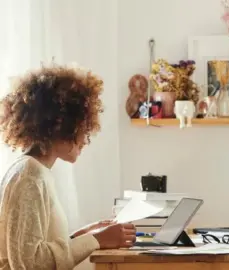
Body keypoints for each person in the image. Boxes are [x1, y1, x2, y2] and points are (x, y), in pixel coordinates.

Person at [0, 65, 137, 269]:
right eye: (82, 127)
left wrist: (84, 235)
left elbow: (34, 247)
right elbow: (29, 264)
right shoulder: (30, 174)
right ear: (59, 125)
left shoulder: (35, 170)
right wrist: (96, 240)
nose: (86, 138)